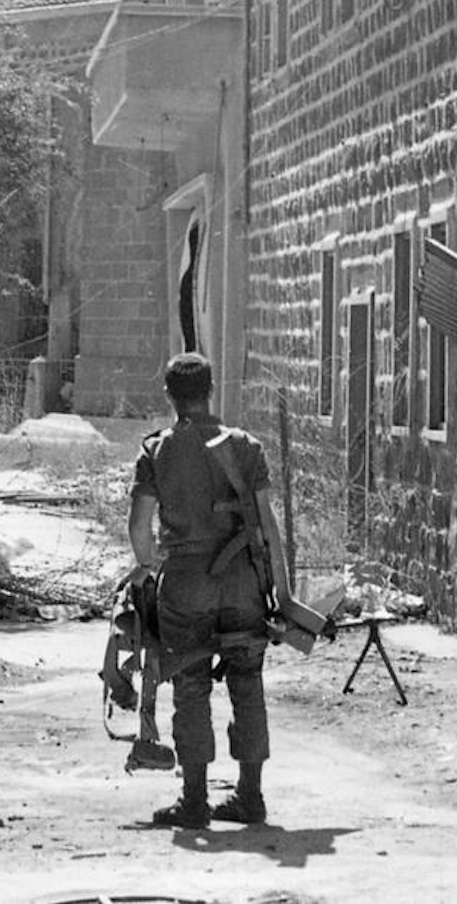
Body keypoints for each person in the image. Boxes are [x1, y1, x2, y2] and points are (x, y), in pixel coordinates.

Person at [128, 351, 290, 829]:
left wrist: (148, 568)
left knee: (191, 685)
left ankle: (194, 802)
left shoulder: (157, 450)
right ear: (211, 389)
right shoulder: (245, 447)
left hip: (186, 584)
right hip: (242, 582)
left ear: (169, 395)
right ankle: (250, 797)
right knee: (247, 683)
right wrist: (281, 592)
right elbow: (268, 526)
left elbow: (139, 525)